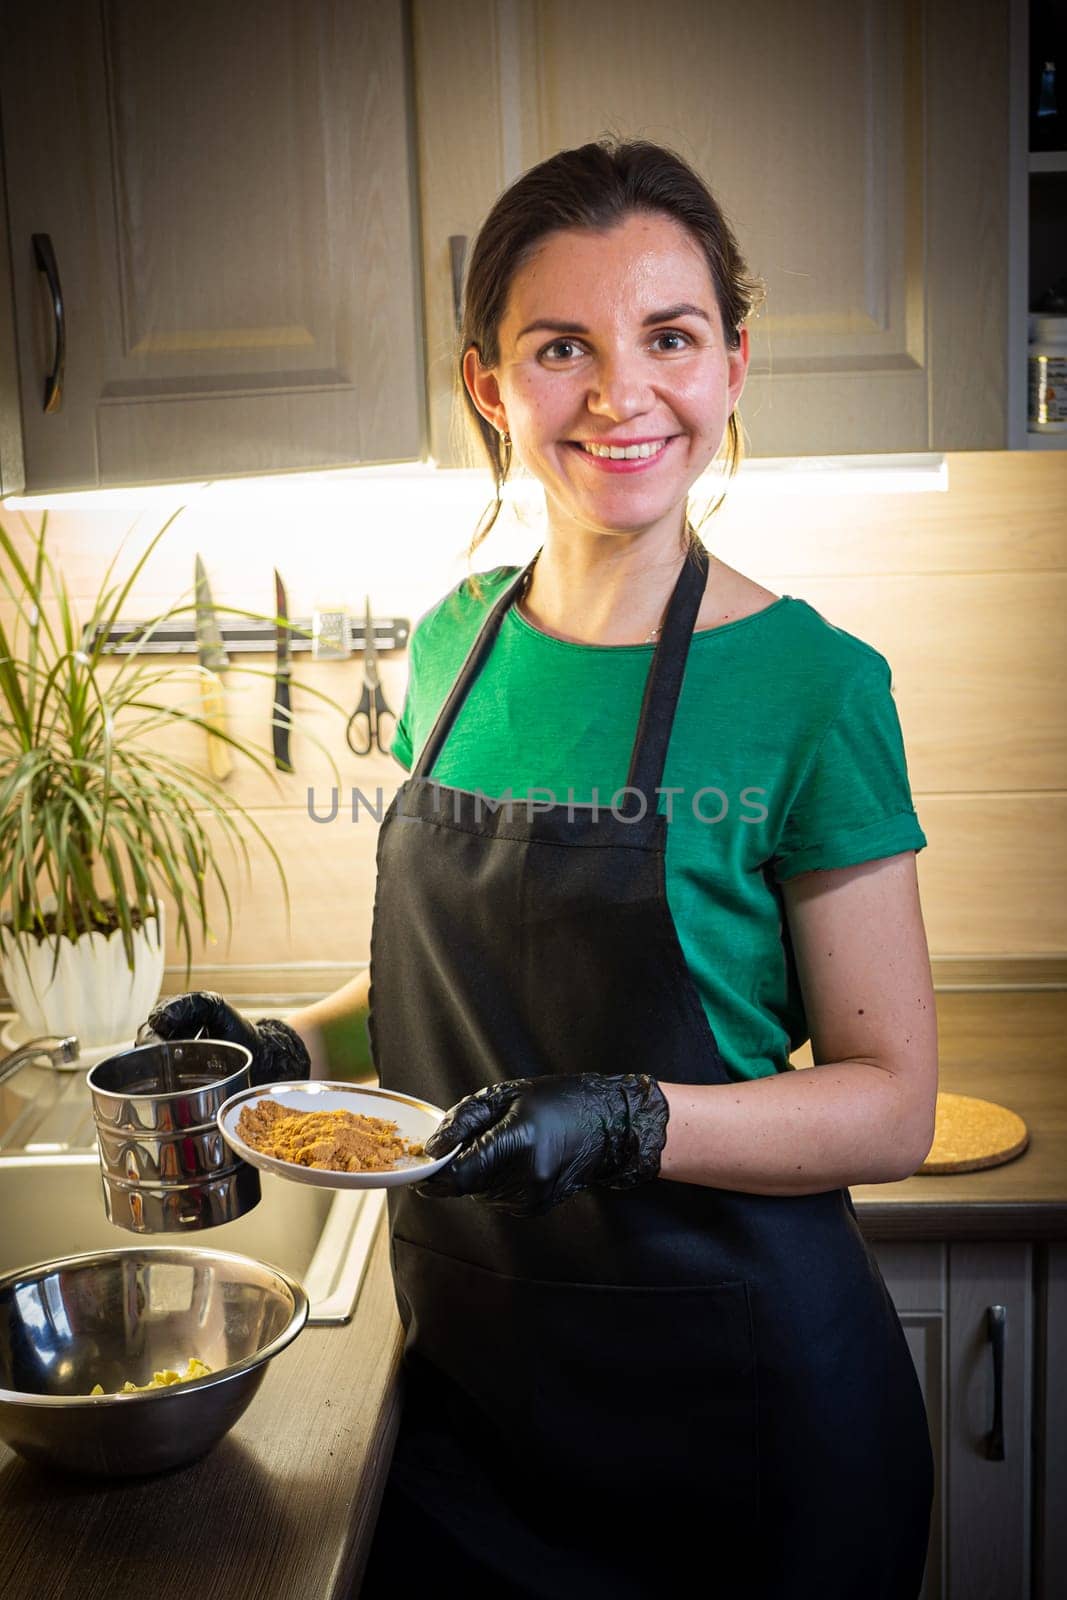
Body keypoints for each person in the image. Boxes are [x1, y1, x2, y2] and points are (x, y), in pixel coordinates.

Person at [148, 139, 937, 1599]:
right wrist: (288, 1047)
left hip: (743, 1434)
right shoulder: (454, 647)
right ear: (488, 384)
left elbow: (893, 1106)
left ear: (735, 366)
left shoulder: (816, 687)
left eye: (671, 338)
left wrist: (634, 1120)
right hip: (479, 1411)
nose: (621, 393)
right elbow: (460, 999)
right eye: (561, 346)